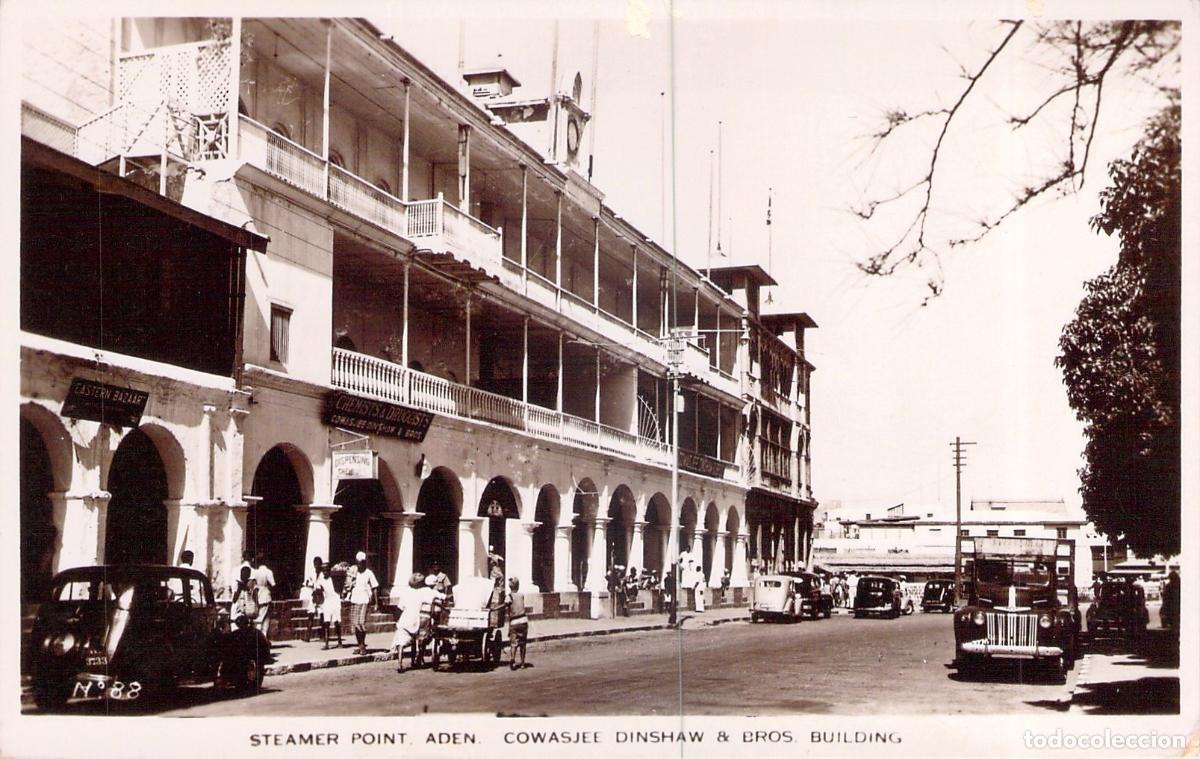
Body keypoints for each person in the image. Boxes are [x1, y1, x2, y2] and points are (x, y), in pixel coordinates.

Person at [345, 551, 379, 655]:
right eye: (358, 562)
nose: (360, 564)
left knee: (361, 623)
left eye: (362, 562)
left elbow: (375, 588)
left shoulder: (369, 573)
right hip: (354, 600)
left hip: (364, 600)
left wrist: (376, 603)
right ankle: (360, 645)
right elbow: (347, 585)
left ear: (365, 562)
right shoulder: (353, 572)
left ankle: (362, 644)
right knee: (356, 624)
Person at [391, 573, 425, 673]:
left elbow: (400, 608)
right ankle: (413, 660)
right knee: (414, 640)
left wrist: (397, 619)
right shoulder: (420, 594)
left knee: (401, 642)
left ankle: (399, 663)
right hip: (415, 618)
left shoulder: (405, 593)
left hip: (405, 617)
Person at [313, 561, 343, 649]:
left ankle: (339, 641)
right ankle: (326, 643)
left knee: (337, 621)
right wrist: (317, 603)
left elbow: (339, 587)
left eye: (327, 570)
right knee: (326, 622)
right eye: (323, 570)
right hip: (327, 601)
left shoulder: (334, 579)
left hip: (335, 600)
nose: (325, 572)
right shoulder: (321, 581)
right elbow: (318, 592)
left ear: (330, 570)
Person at [252, 553, 276, 641]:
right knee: (264, 619)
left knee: (261, 617)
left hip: (257, 596)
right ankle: (262, 638)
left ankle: (262, 638)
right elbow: (273, 584)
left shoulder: (255, 572)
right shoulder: (268, 572)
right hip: (266, 595)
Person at [506, 577, 529, 670]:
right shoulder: (521, 595)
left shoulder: (509, 596)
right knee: (523, 643)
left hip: (514, 622)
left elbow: (506, 604)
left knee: (513, 643)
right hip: (523, 620)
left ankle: (512, 659)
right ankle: (523, 663)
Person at [300, 556, 322, 642]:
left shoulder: (323, 574)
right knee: (310, 616)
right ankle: (307, 636)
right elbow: (306, 583)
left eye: (318, 564)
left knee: (322, 616)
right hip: (313, 597)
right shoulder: (311, 574)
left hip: (321, 597)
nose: (316, 566)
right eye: (315, 564)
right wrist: (310, 585)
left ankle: (323, 636)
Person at [230, 565, 258, 631]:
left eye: (246, 575)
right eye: (242, 574)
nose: (243, 576)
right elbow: (234, 600)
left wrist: (248, 589)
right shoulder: (236, 584)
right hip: (237, 609)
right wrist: (239, 588)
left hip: (248, 610)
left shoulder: (252, 584)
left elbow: (255, 597)